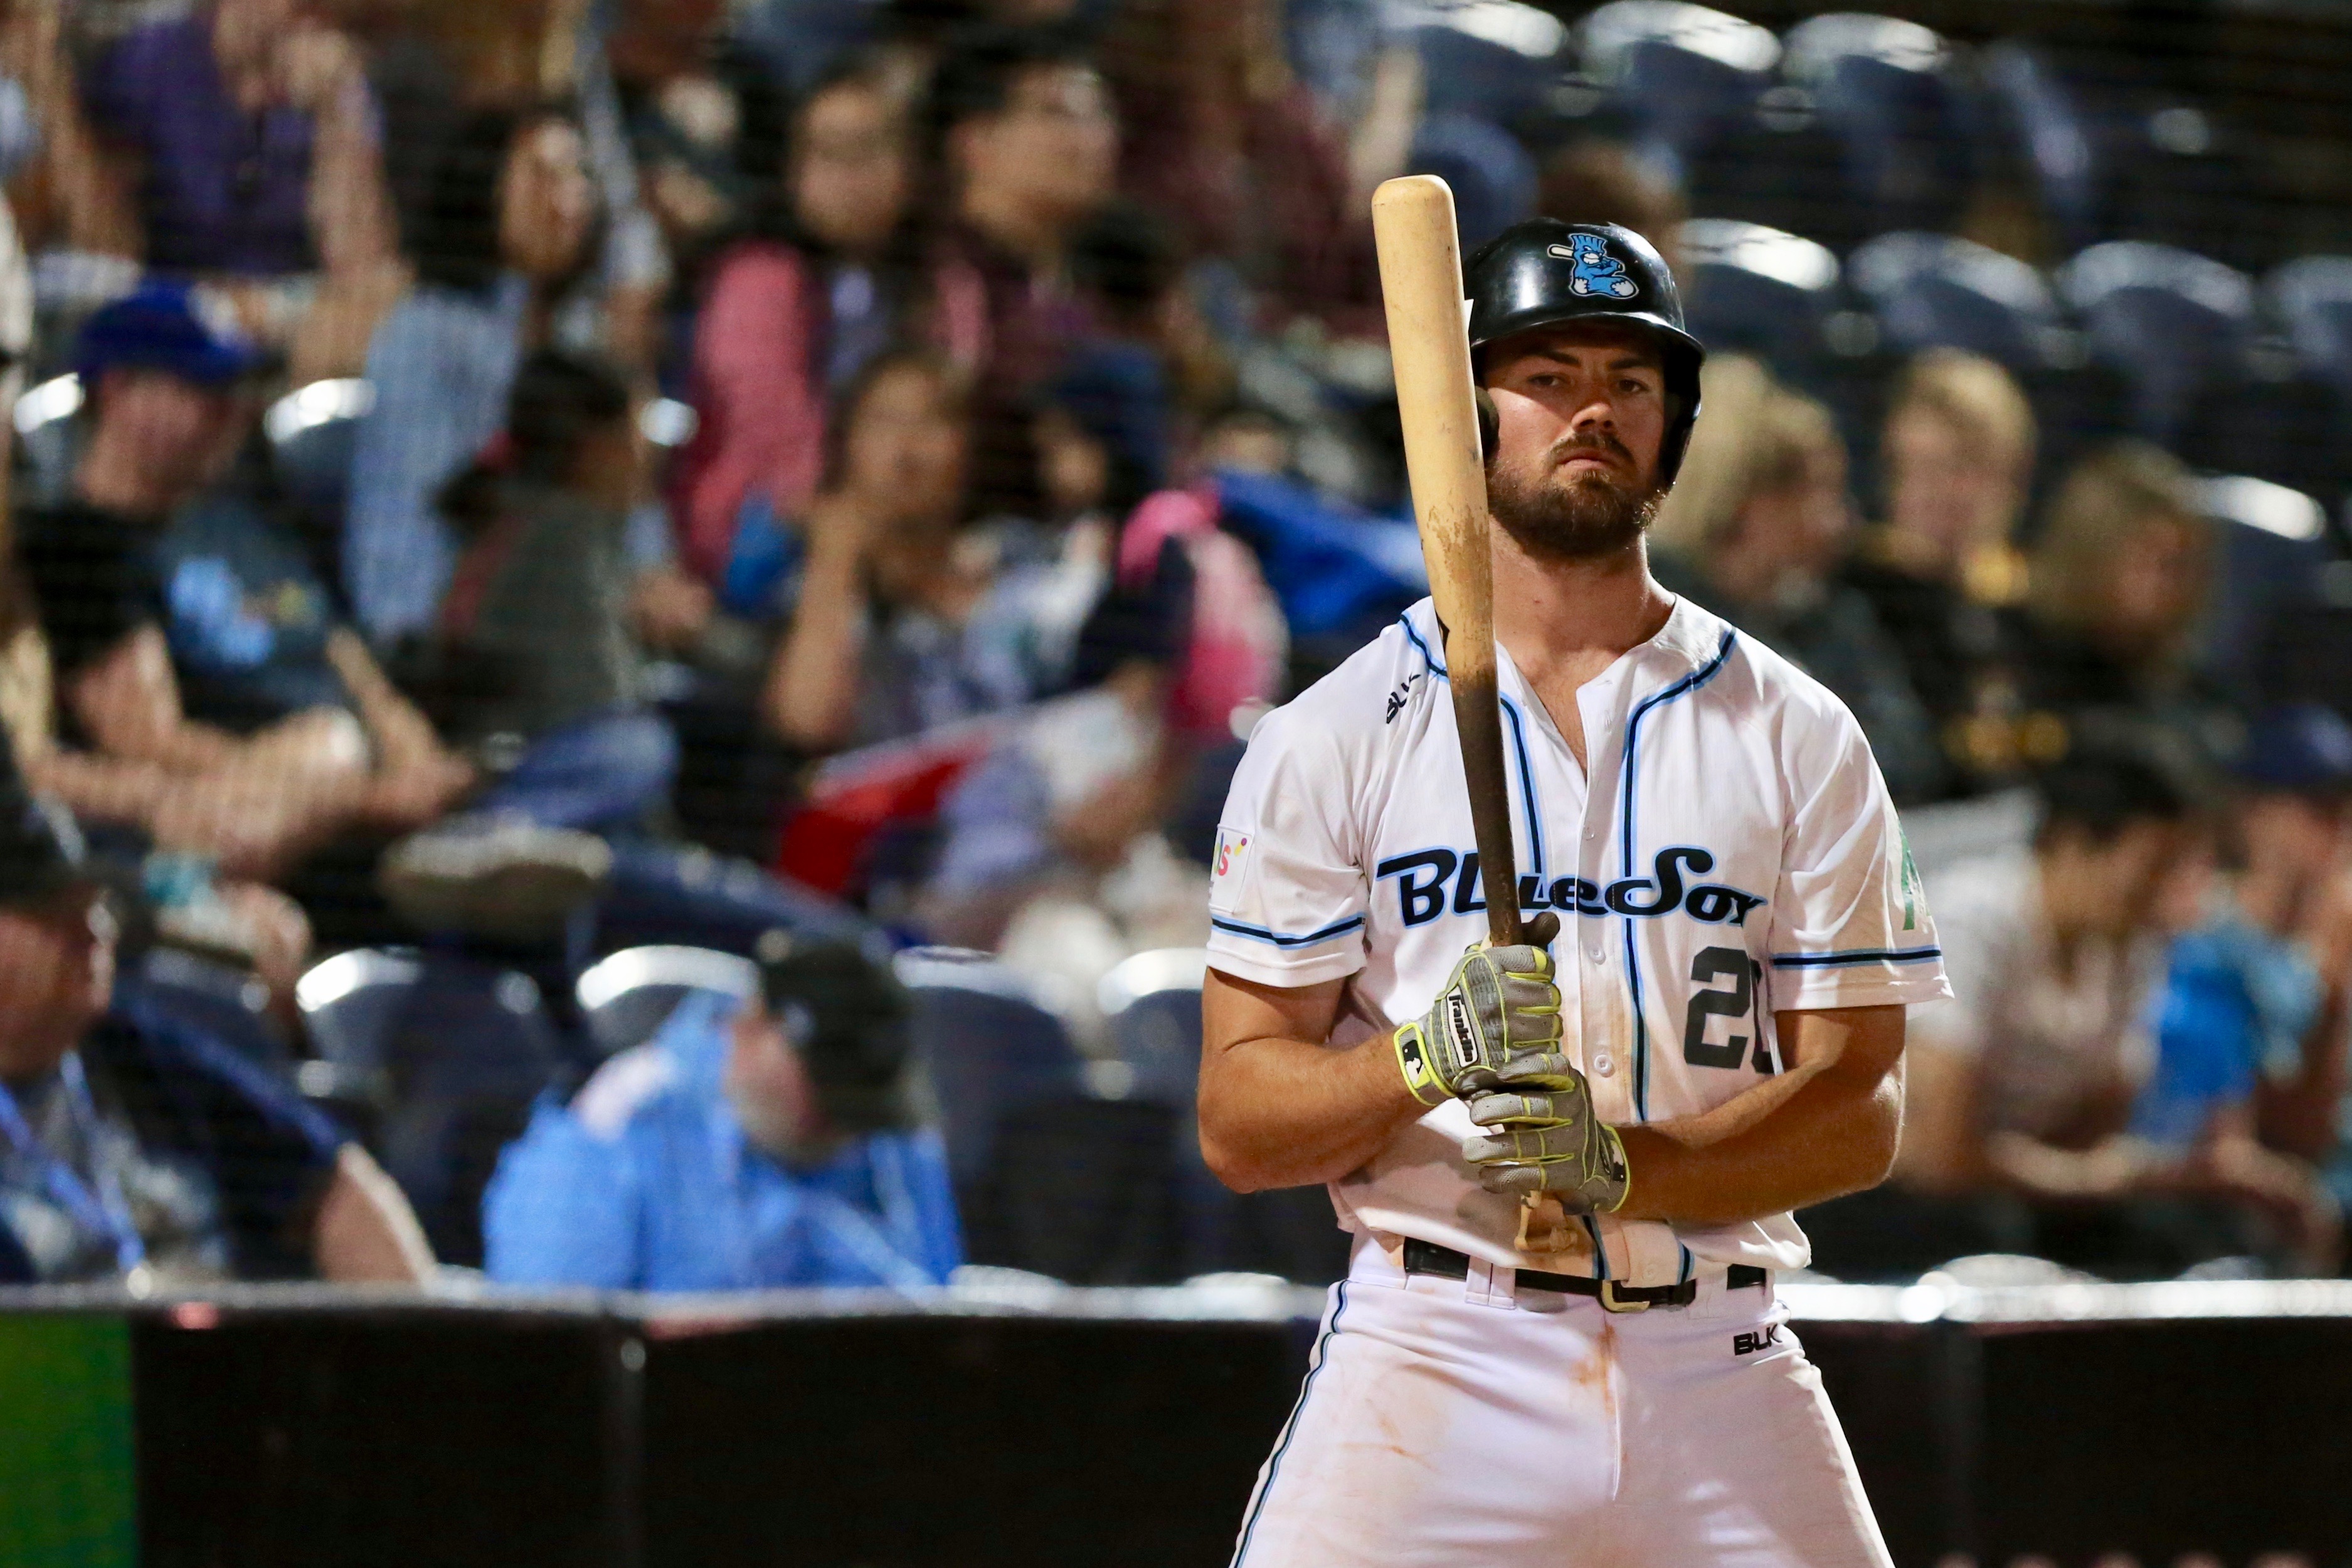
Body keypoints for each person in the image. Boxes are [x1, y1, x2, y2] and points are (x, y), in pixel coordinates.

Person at [1197, 220, 1949, 1566]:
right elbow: (1242, 1120)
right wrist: (1428, 1056)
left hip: (1716, 1354)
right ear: (1467, 405)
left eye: (1632, 379)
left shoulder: (1799, 730)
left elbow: (1864, 1105)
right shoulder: (1338, 731)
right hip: (1437, 1350)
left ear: (1672, 429)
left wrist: (1629, 1169)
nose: (1592, 406)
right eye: (1547, 375)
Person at [1830, 741, 2339, 1280]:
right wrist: (2099, 1175)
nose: (2167, 891)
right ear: (2070, 844)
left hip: (2014, 1188)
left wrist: (2123, 1177)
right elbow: (1941, 1157)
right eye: (2153, 867)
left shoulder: (2130, 947)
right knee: (1993, 1237)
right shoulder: (1967, 922)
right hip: (1888, 1195)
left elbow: (2097, 1129)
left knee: (2191, 1236)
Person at [0, 778, 435, 1285]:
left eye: (94, 905)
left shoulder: (125, 1046)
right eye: (48, 912)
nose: (93, 930)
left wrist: (413, 1352)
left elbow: (336, 1186)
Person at [481, 935, 960, 1291]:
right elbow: (557, 1348)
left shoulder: (891, 1131)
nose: (840, 1128)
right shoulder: (614, 1130)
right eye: (825, 1090)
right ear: (748, 1030)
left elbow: (939, 1318)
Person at [669, 55, 982, 588]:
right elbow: (771, 437)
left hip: (906, 527)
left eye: (867, 152)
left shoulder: (943, 282)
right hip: (764, 532)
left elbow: (947, 412)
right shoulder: (755, 276)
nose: (847, 177)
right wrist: (851, 526)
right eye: (825, 155)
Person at [1650, 363, 1946, 804]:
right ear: (1744, 500)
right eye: (1820, 492)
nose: (1841, 522)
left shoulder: (1832, 619)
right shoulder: (1650, 622)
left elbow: (1906, 763)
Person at [1840, 350, 2036, 793]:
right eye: (1917, 468)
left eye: (1962, 468)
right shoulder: (1856, 601)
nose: (1937, 494)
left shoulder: (2023, 610)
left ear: (2010, 481)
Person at [2009, 442, 2228, 766]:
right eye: (2149, 560)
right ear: (2089, 555)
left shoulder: (2195, 698)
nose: (2169, 584)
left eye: (2180, 564)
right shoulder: (2017, 669)